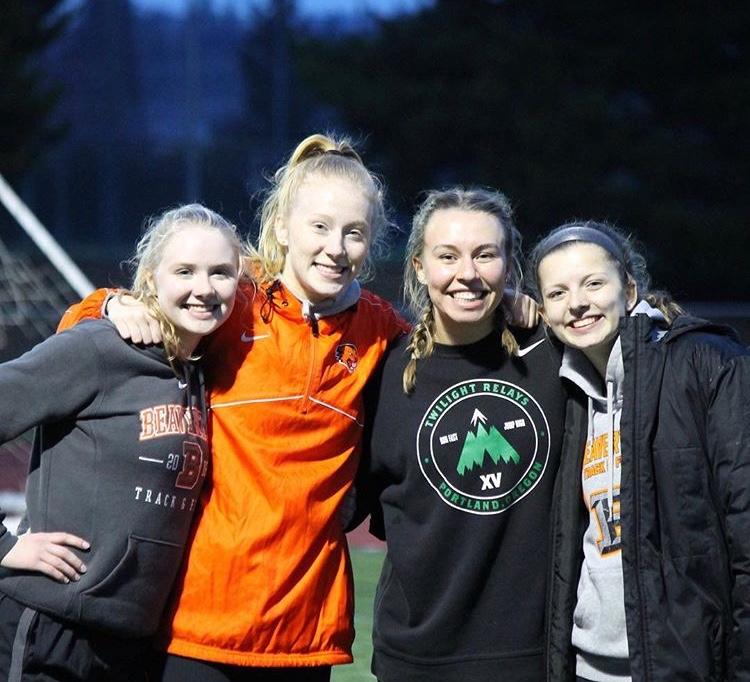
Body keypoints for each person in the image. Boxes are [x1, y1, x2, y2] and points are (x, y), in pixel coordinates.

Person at [58, 134, 410, 681]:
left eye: (354, 233)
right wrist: (111, 304)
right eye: (319, 227)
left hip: (304, 637)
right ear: (282, 227)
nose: (335, 248)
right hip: (196, 625)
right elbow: (78, 331)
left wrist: (509, 302)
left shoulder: (379, 327)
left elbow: (451, 354)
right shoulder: (234, 298)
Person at [0, 203, 243, 681]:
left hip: (131, 648)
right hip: (49, 629)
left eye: (221, 273)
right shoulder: (99, 349)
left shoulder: (205, 373)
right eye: (185, 271)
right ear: (150, 279)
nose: (204, 288)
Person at [358, 188, 566, 681]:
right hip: (416, 661)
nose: (467, 274)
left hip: (533, 659)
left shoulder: (554, 354)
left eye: (485, 255)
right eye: (447, 256)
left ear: (509, 266)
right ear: (418, 267)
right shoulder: (384, 370)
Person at [529, 220, 750, 681]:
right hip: (589, 666)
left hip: (682, 664)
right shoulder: (566, 395)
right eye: (558, 293)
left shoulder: (706, 363)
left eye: (593, 283)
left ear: (629, 290)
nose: (578, 304)